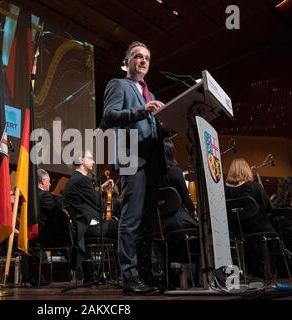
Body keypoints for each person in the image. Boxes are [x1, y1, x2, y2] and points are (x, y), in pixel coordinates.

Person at [102, 41, 167, 295]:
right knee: (131, 220)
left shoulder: (148, 93)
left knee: (148, 223)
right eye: (137, 56)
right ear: (127, 61)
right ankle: (130, 277)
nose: (143, 61)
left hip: (152, 163)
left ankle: (145, 274)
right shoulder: (119, 85)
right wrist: (142, 110)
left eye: (147, 58)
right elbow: (109, 116)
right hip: (132, 159)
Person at [63, 150, 118, 282]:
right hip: (88, 228)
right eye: (90, 158)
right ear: (81, 161)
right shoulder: (82, 180)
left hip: (82, 228)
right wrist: (113, 200)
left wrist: (100, 188)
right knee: (121, 229)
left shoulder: (75, 179)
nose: (93, 161)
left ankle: (97, 273)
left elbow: (86, 196)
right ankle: (122, 274)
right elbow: (102, 206)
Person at [224, 158, 276, 279]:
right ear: (246, 170)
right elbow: (270, 208)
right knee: (273, 232)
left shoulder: (224, 190)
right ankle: (269, 269)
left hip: (235, 230)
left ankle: (248, 270)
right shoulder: (254, 187)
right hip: (256, 228)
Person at [160, 138, 198, 234]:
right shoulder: (176, 171)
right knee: (203, 229)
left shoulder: (151, 175)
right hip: (177, 219)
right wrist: (194, 213)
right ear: (171, 153)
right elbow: (186, 199)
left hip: (159, 222)